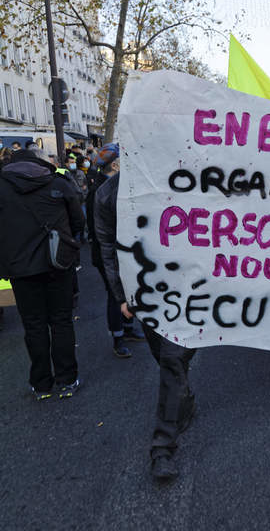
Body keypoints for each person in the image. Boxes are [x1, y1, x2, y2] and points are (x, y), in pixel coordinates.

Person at [94, 156, 197, 481]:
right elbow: (107, 245)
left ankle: (162, 447)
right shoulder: (108, 193)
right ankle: (183, 394)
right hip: (147, 291)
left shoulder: (186, 176)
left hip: (192, 287)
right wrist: (121, 294)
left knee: (172, 357)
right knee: (167, 358)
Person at [0, 147, 84, 399]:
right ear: (40, 162)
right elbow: (78, 221)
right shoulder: (58, 183)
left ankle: (41, 383)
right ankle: (67, 379)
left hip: (20, 268)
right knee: (61, 320)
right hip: (58, 263)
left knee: (33, 325)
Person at [89, 144, 145, 359]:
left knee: (125, 290)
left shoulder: (115, 186)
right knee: (115, 295)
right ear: (115, 164)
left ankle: (127, 327)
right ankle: (118, 336)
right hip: (107, 253)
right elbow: (102, 234)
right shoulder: (101, 191)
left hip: (117, 251)